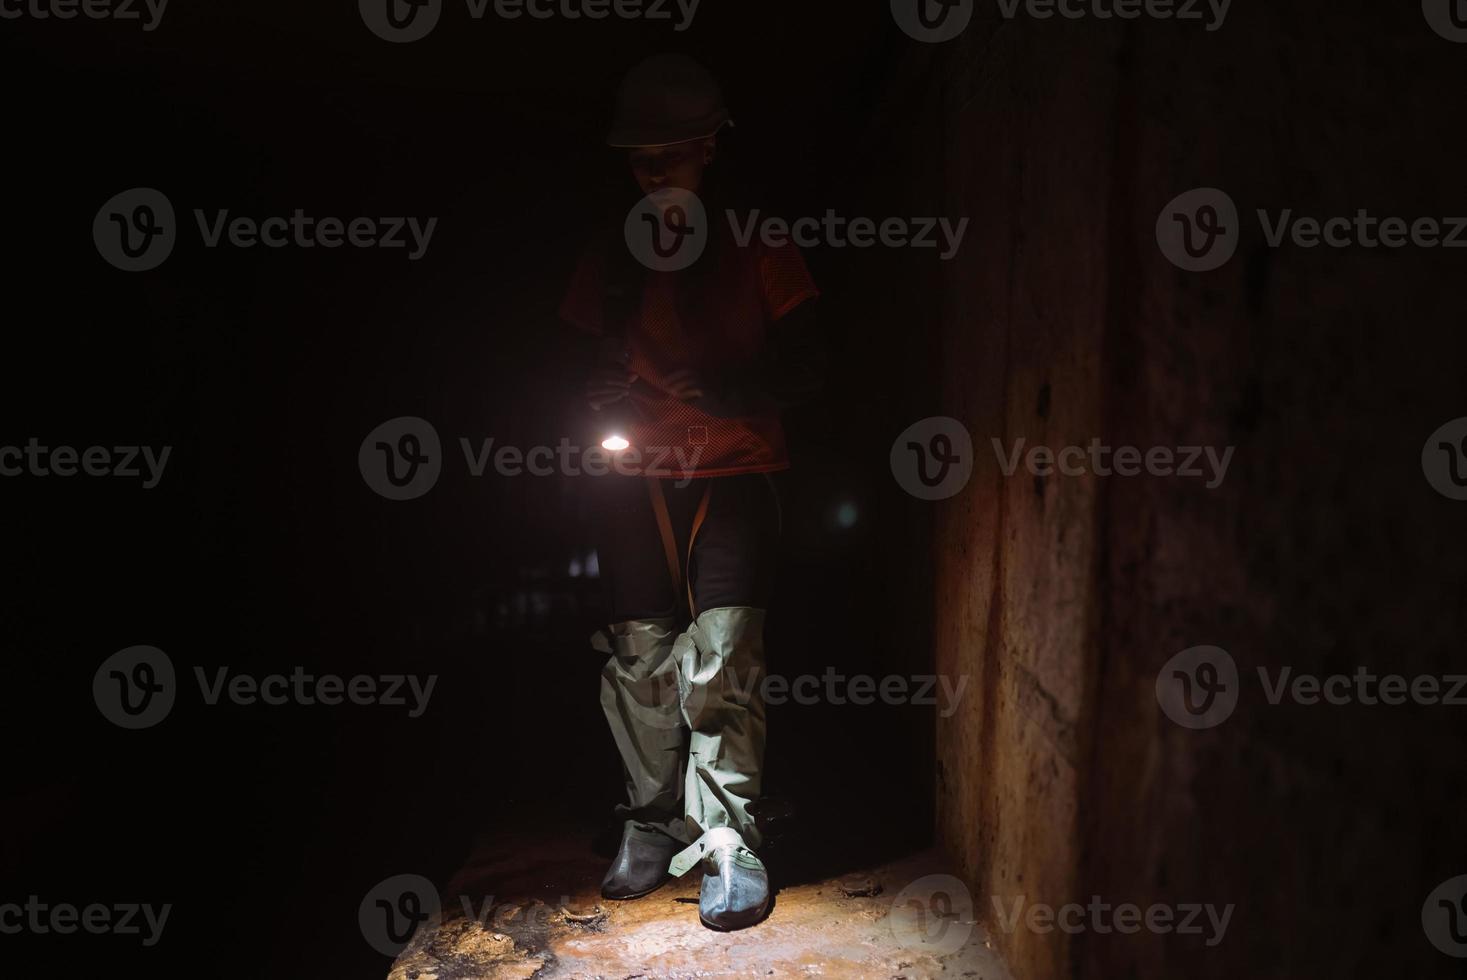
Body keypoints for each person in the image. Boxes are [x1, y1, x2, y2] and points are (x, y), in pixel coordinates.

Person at [559, 53, 823, 931]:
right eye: (641, 158)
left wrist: (744, 389)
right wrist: (589, 394)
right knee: (640, 655)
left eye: (674, 152)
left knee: (722, 653)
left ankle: (727, 838)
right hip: (634, 475)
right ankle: (648, 819)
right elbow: (566, 363)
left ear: (712, 146)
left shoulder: (754, 238)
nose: (656, 170)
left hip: (736, 469)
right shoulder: (609, 255)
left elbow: (815, 355)